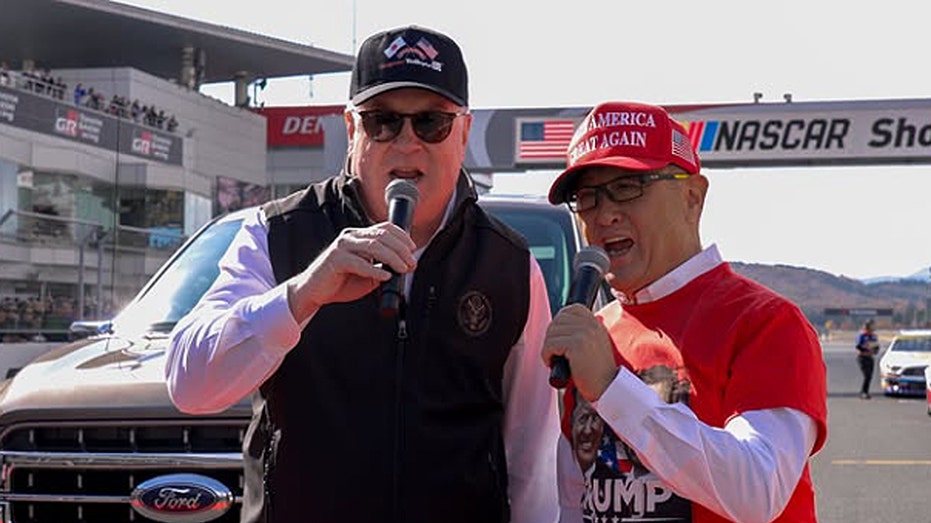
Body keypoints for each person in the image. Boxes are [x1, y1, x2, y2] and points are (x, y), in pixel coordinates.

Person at [166, 25, 559, 523]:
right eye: (383, 122)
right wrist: (303, 294)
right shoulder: (276, 234)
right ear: (352, 131)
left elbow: (535, 456)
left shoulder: (509, 263)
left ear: (463, 132)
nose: (407, 143)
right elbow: (190, 384)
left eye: (432, 123)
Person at [541, 101, 828, 523]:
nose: (604, 214)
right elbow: (574, 501)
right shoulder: (592, 335)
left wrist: (610, 385)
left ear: (693, 197)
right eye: (587, 198)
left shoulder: (766, 323)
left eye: (626, 187)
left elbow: (758, 491)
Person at [855, 319, 880, 399]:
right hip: (862, 357)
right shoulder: (862, 335)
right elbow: (858, 346)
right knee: (867, 375)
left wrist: (874, 350)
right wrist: (866, 349)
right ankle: (863, 392)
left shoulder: (873, 336)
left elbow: (876, 347)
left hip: (870, 357)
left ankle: (865, 391)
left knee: (869, 376)